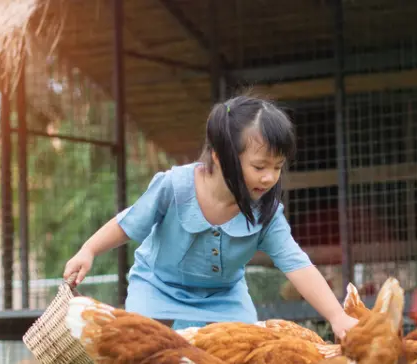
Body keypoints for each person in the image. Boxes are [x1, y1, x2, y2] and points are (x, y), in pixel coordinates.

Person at [63, 94, 359, 339]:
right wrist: (88, 250)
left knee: (244, 360)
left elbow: (296, 264)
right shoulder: (174, 186)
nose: (269, 178)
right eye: (259, 167)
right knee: (145, 355)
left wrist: (337, 316)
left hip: (224, 298)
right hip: (157, 288)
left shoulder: (265, 213)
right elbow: (128, 223)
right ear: (219, 155)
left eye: (278, 167)